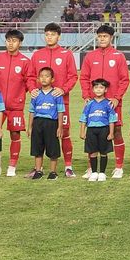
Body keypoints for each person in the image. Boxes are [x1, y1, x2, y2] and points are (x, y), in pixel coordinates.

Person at [79, 24, 129, 179]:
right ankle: (91, 168)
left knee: (116, 132)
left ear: (111, 38)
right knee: (92, 133)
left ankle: (119, 167)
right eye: (100, 36)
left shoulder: (118, 56)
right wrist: (87, 96)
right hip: (93, 103)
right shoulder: (90, 56)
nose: (102, 39)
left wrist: (116, 97)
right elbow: (84, 78)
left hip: (112, 104)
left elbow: (124, 79)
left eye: (105, 36)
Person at [30, 23, 78, 178]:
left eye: (52, 34)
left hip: (60, 102)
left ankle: (68, 166)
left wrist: (63, 89)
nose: (49, 37)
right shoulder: (37, 55)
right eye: (47, 34)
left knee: (64, 132)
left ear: (59, 36)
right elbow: (30, 76)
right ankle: (38, 168)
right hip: (40, 104)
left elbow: (73, 76)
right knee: (40, 134)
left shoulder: (66, 54)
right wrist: (32, 89)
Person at [0, 29, 36, 177]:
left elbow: (29, 80)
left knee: (15, 134)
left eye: (14, 40)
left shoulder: (25, 61)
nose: (11, 43)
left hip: (16, 105)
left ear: (20, 43)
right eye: (8, 40)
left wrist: (25, 93)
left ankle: (12, 166)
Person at [27, 67, 65, 180]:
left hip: (51, 123)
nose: (44, 78)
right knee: (37, 148)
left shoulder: (56, 94)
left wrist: (60, 127)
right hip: (38, 123)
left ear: (52, 79)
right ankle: (38, 171)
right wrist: (30, 127)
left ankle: (53, 172)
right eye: (41, 76)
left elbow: (60, 111)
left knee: (52, 148)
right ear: (38, 79)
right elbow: (31, 111)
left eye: (47, 76)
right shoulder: (35, 94)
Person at [79, 79, 118, 182]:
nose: (98, 90)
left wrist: (111, 132)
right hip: (91, 130)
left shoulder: (108, 104)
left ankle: (102, 173)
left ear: (105, 90)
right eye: (96, 87)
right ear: (92, 89)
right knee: (93, 152)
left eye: (101, 87)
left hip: (104, 130)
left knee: (104, 152)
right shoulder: (89, 103)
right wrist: (82, 131)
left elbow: (112, 119)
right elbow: (84, 118)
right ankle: (94, 172)